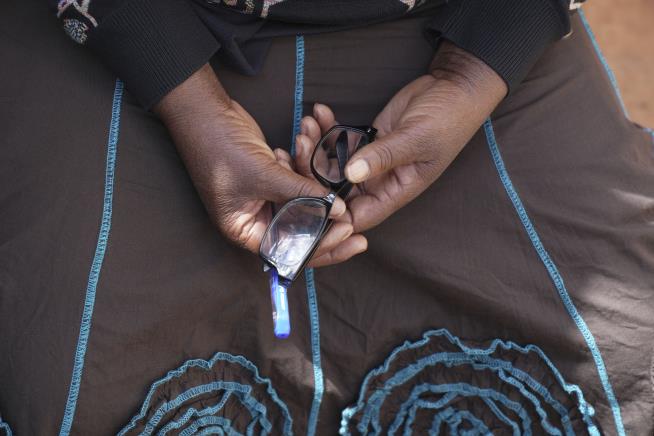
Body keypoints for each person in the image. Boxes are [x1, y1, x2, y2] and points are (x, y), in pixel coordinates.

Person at [0, 0, 652, 434]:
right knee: (69, 386)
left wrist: (472, 74)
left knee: (620, 360)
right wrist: (189, 102)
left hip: (478, 24)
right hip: (119, 24)